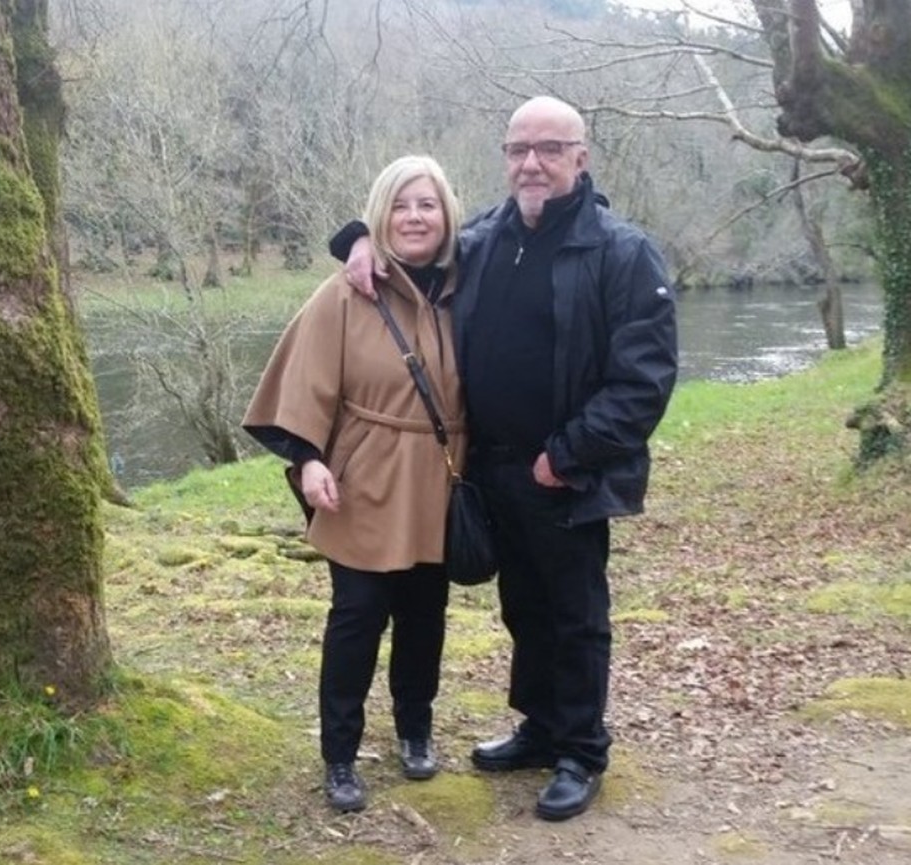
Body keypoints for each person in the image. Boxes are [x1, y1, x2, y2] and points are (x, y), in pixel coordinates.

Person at [336, 96, 678, 821]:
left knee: (575, 612)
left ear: (580, 157)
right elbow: (412, 248)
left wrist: (567, 454)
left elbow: (644, 380)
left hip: (566, 471)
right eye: (519, 148)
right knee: (522, 605)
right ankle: (539, 726)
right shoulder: (487, 236)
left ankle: (581, 747)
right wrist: (358, 242)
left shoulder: (620, 251)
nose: (532, 162)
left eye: (550, 148)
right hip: (489, 469)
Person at [241, 155, 466, 814]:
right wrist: (309, 460)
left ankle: (415, 729)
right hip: (362, 480)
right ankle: (340, 753)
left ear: (447, 214)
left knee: (425, 617)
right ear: (380, 215)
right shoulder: (347, 290)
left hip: (440, 479)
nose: (415, 217)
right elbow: (303, 380)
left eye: (427, 204)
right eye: (400, 205)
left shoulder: (466, 284)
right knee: (357, 618)